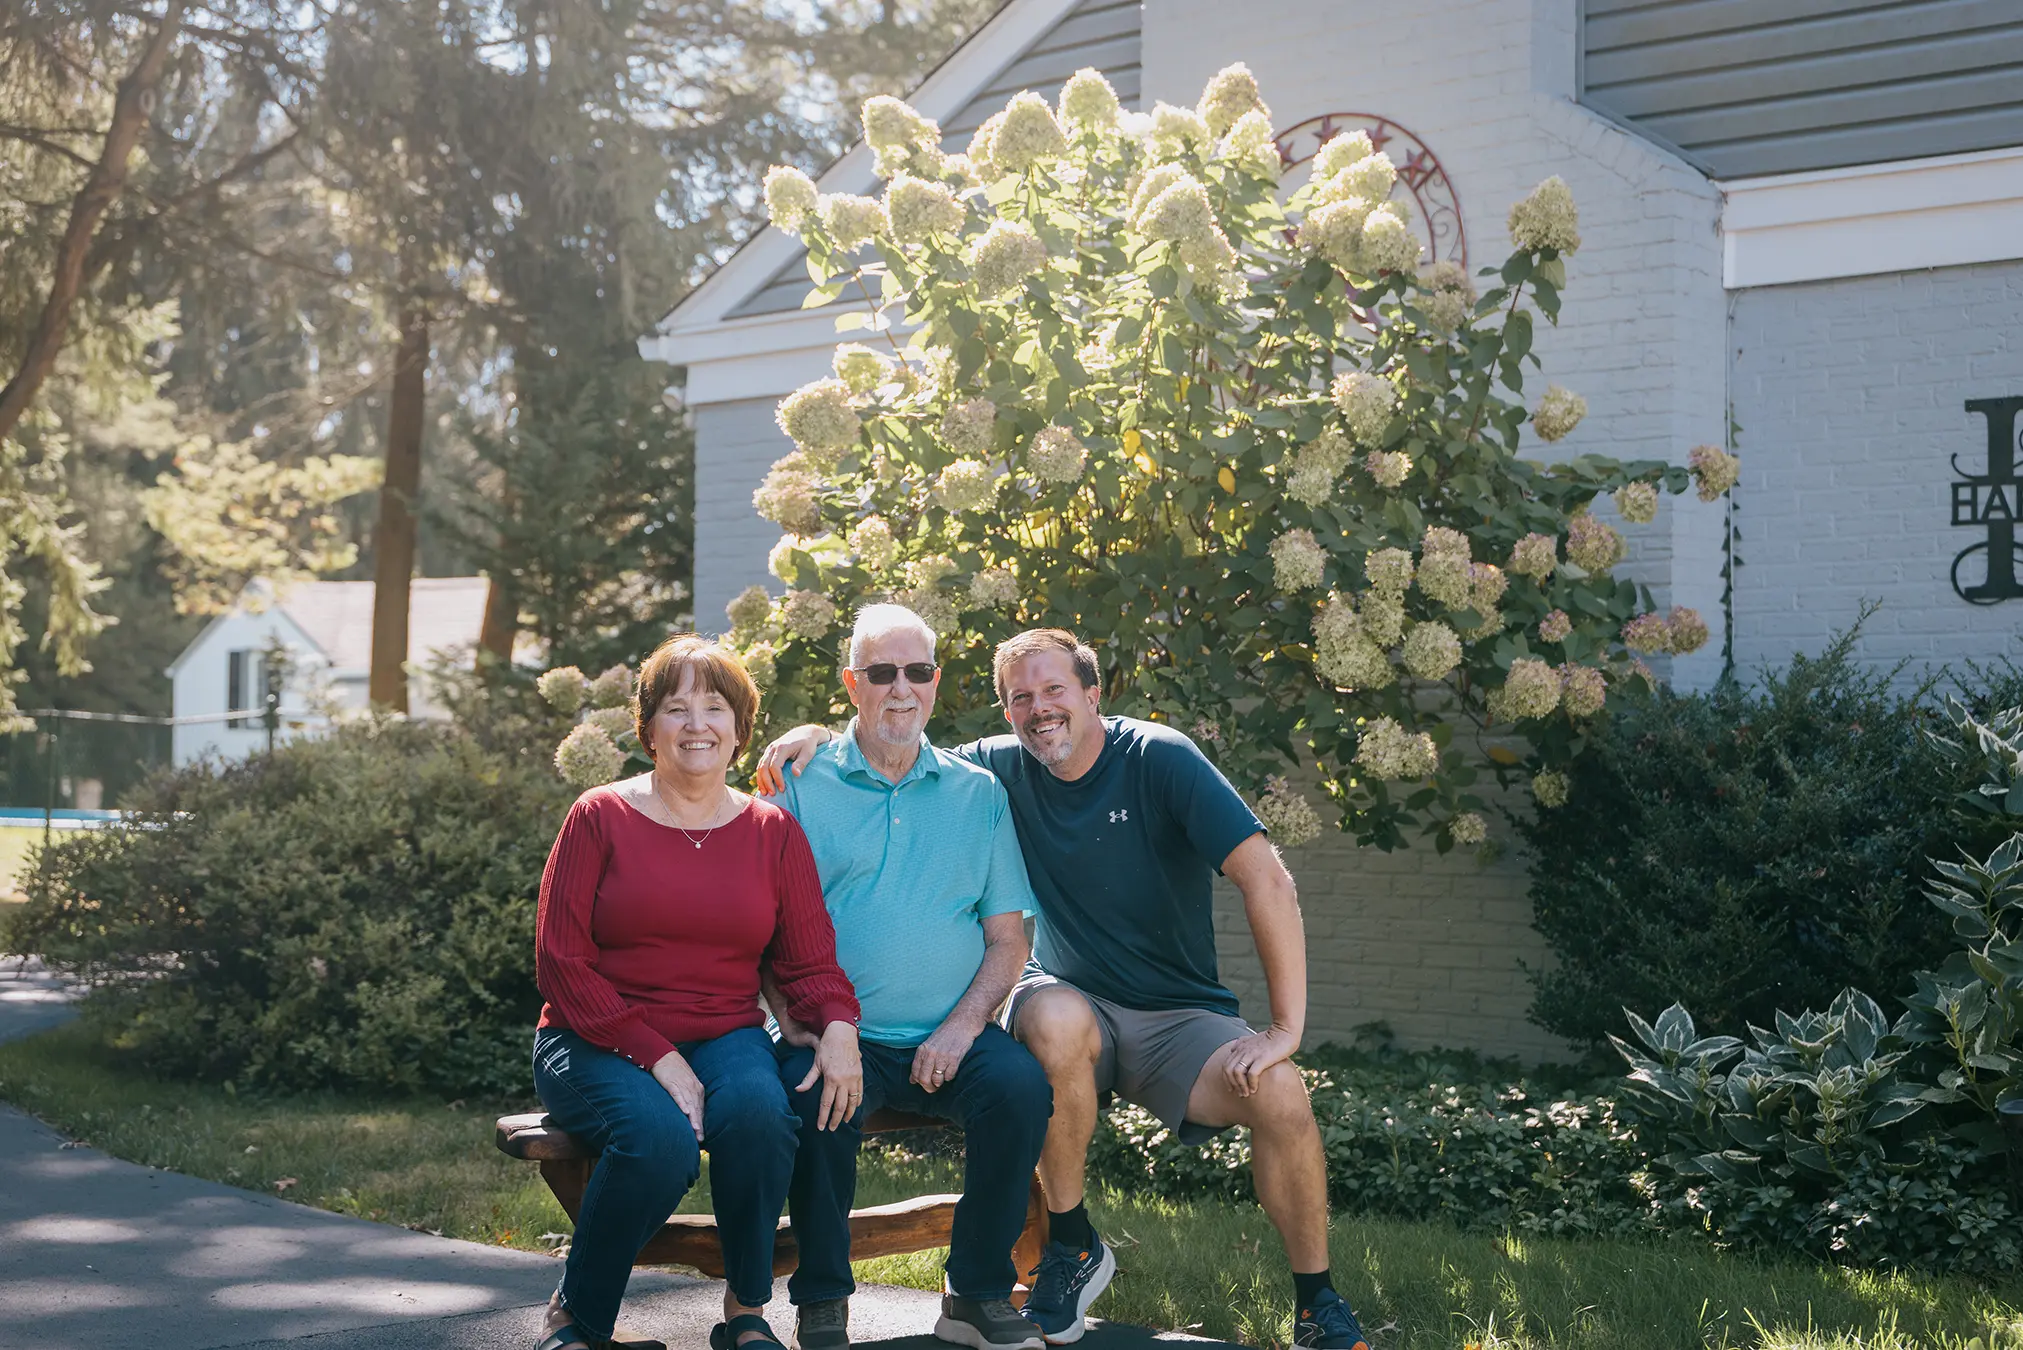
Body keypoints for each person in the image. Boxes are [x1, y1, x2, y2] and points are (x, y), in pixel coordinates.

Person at [757, 628, 1371, 1350]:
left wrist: (1285, 1029)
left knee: (1282, 1095)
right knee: (1048, 1019)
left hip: (1176, 1013)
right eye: (1021, 698)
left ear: (1092, 693)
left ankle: (1316, 1303)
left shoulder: (1158, 758)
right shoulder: (996, 768)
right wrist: (814, 734)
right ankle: (1070, 1245)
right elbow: (892, 740)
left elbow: (1266, 878)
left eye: (1054, 691)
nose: (1039, 709)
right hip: (1068, 1004)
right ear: (1005, 711)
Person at [534, 634, 863, 1350]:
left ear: (739, 729)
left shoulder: (772, 831)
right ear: (647, 728)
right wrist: (657, 1055)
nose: (695, 725)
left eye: (714, 707)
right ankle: (578, 1318)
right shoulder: (599, 816)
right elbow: (561, 962)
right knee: (658, 1142)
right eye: (675, 708)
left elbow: (809, 964)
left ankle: (745, 1311)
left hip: (723, 1032)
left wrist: (838, 1025)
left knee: (759, 1116)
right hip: (591, 1038)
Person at [768, 604, 1051, 1350]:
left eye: (917, 672)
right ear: (851, 684)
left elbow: (1005, 941)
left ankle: (976, 1291)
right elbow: (758, 924)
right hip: (833, 1032)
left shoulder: (977, 793)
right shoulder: (800, 781)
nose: (901, 689)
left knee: (1019, 1089)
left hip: (944, 1033)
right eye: (881, 673)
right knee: (812, 1105)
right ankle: (822, 1297)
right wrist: (792, 1016)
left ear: (936, 681)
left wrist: (962, 1029)